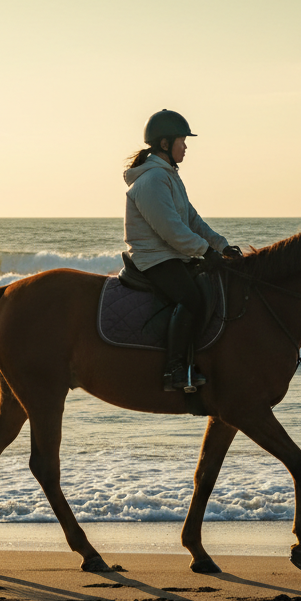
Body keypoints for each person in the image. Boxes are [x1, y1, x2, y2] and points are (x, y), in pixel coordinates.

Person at [123, 109, 242, 393]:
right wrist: (206, 252)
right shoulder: (152, 181)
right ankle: (174, 370)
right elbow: (171, 230)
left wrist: (221, 245)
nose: (186, 146)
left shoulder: (169, 177)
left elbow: (192, 221)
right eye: (182, 141)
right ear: (164, 144)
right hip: (154, 259)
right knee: (191, 299)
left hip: (171, 256)